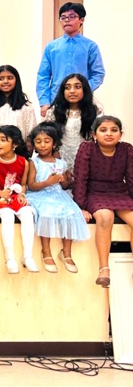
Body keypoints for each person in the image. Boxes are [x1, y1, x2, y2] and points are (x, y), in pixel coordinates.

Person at [73, 116, 133, 288]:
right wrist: (81, 207)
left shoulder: (127, 149)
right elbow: (80, 179)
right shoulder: (87, 148)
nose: (109, 134)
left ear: (120, 134)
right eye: (103, 130)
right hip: (95, 192)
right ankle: (104, 269)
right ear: (94, 134)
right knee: (105, 217)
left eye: (114, 130)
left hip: (119, 192)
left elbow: (131, 178)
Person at [26, 122, 89, 274]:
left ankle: (66, 253)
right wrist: (48, 182)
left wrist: (64, 180)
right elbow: (31, 185)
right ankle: (46, 251)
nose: (42, 145)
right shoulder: (33, 162)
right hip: (39, 195)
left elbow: (66, 186)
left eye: (47, 141)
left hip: (58, 195)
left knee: (71, 213)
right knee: (46, 213)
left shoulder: (61, 163)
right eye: (38, 141)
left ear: (54, 143)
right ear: (33, 144)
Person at [0, 125, 38, 274]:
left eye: (3, 140)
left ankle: (27, 256)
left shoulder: (23, 162)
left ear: (15, 144)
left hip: (14, 196)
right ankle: (10, 258)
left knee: (27, 214)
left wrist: (21, 195)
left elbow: (23, 184)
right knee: (7, 216)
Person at [36, 2, 104, 117]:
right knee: (55, 128)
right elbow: (43, 75)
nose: (67, 20)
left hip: (83, 102)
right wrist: (44, 102)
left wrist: (83, 89)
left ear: (81, 20)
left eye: (72, 16)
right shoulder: (52, 47)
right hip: (56, 100)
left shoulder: (90, 46)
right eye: (63, 17)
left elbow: (98, 74)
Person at [44, 73, 102, 172]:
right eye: (67, 88)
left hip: (87, 158)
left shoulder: (95, 111)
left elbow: (100, 137)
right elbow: (47, 135)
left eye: (77, 87)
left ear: (85, 89)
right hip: (59, 157)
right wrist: (54, 152)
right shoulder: (54, 111)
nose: (72, 91)